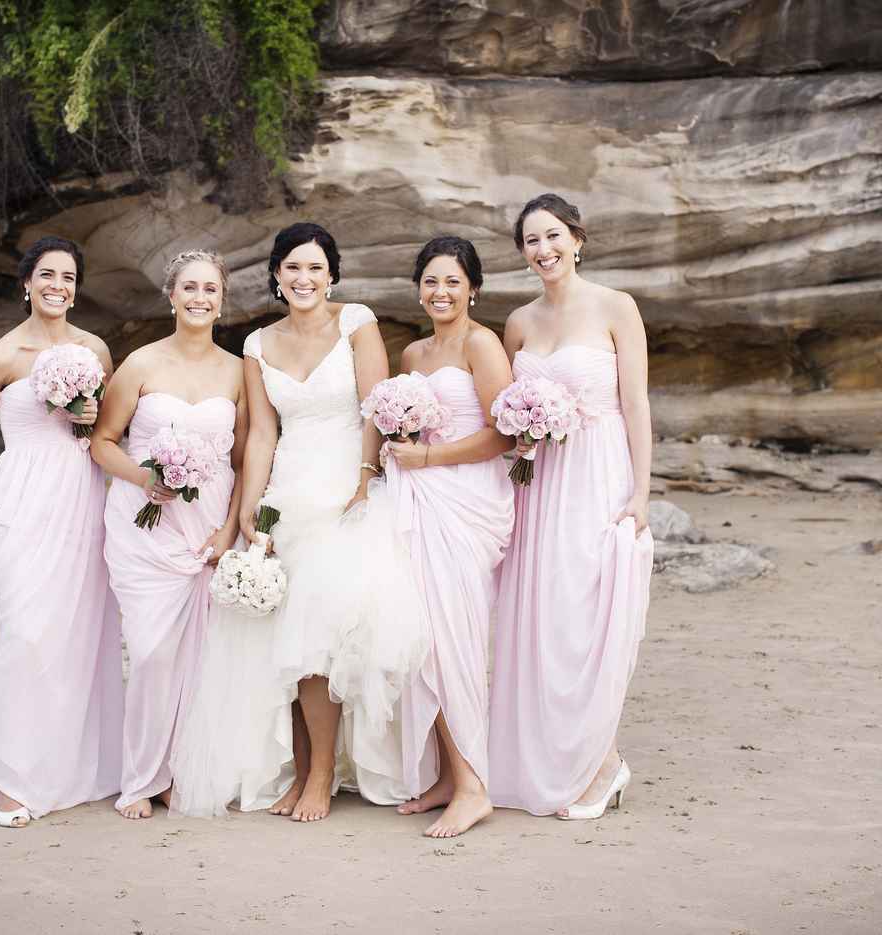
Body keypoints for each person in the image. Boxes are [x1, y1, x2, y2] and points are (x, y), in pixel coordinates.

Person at [169, 222, 427, 821]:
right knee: (284, 636)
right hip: (289, 490)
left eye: (314, 268)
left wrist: (365, 480)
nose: (303, 278)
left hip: (346, 489)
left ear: (331, 275)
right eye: (292, 268)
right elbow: (261, 434)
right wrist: (249, 516)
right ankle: (306, 771)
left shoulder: (357, 323)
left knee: (323, 632)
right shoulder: (259, 345)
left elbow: (375, 406)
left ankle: (319, 779)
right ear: (277, 276)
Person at [489, 194, 655, 820]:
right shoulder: (520, 322)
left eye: (553, 236)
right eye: (531, 241)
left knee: (590, 620)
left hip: (599, 474)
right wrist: (523, 434)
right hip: (540, 484)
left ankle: (603, 765)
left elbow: (635, 404)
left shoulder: (617, 307)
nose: (544, 250)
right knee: (544, 622)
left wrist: (640, 493)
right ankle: (563, 762)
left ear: (577, 238)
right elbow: (506, 415)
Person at [0, 235, 123, 828]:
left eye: (69, 277)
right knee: (25, 633)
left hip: (83, 497)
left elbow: (111, 433)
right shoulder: (2, 355)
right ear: (27, 283)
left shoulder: (95, 348)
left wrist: (92, 418)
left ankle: (75, 769)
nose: (59, 286)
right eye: (48, 275)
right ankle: (11, 779)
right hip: (24, 504)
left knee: (81, 634)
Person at [90, 250, 246, 820]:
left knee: (202, 656)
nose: (200, 297)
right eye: (189, 288)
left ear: (222, 299)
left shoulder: (237, 370)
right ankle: (140, 778)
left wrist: (231, 529)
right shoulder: (139, 364)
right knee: (153, 652)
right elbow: (104, 440)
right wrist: (146, 476)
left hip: (205, 530)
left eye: (210, 289)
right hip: (142, 527)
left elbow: (250, 453)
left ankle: (178, 771)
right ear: (171, 295)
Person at [385, 236, 515, 837]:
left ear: (473, 290)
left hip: (467, 504)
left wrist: (429, 460)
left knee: (453, 639)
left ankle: (474, 787)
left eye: (453, 283)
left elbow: (503, 435)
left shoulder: (482, 343)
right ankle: (445, 773)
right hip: (417, 502)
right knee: (420, 636)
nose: (441, 293)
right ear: (419, 288)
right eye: (431, 282)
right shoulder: (411, 355)